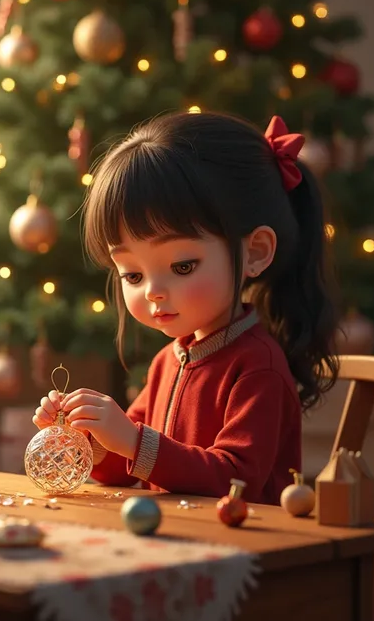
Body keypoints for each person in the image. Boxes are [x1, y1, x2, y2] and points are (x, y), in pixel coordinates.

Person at [33, 112, 338, 504]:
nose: (154, 292)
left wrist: (131, 439)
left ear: (255, 253)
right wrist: (90, 438)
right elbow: (128, 469)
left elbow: (234, 480)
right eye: (132, 275)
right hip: (178, 539)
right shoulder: (168, 361)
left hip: (250, 550)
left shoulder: (258, 366)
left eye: (182, 266)